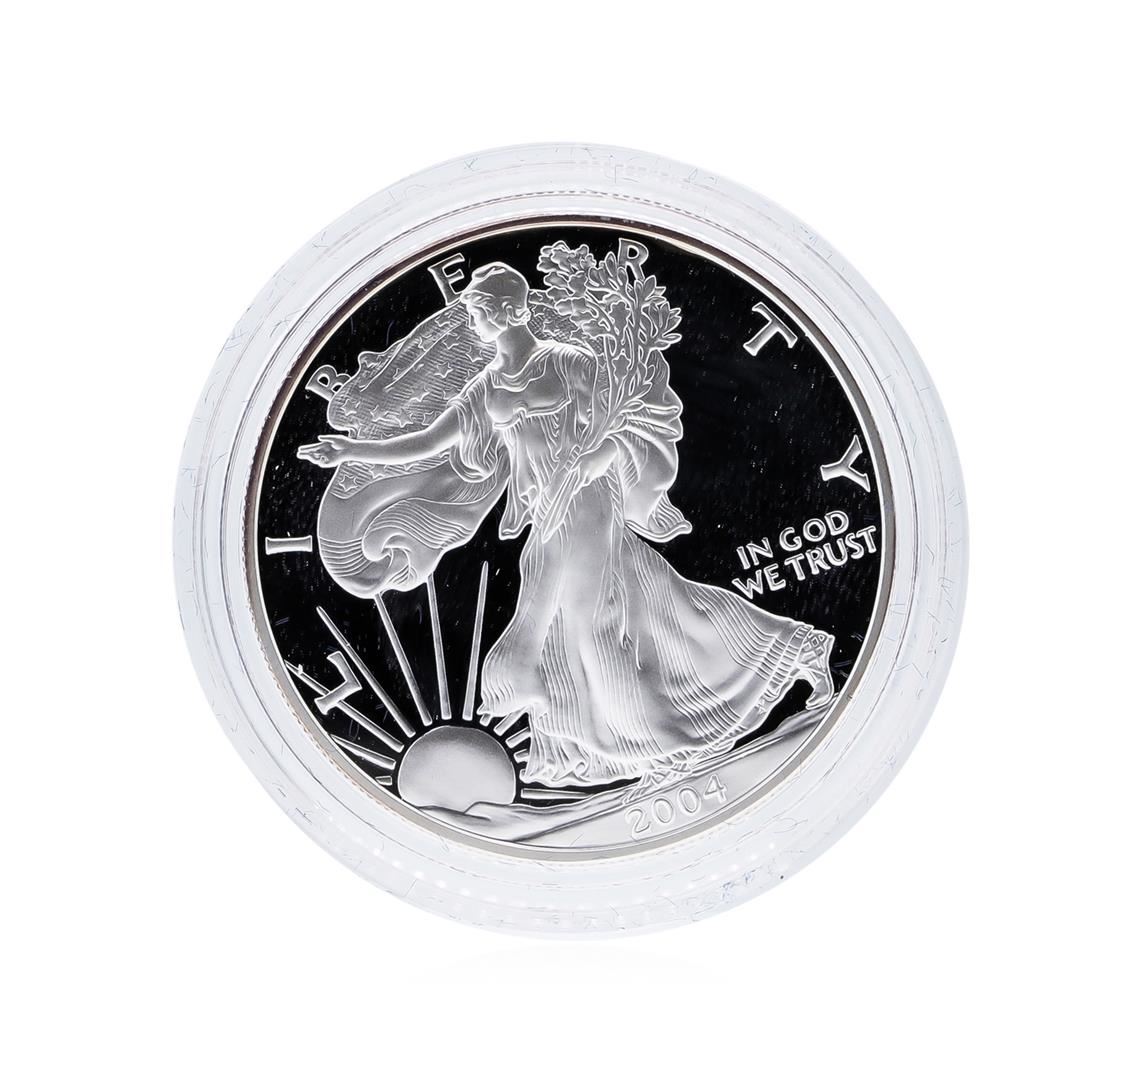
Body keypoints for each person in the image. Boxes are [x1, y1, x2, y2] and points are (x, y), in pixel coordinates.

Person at [300, 262, 834, 788]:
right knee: (656, 608)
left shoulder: (569, 362)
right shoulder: (486, 388)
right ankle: (792, 652)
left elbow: (621, 423)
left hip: (587, 498)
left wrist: (596, 457)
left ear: (508, 311)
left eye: (478, 312)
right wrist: (351, 450)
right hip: (545, 509)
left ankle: (663, 744)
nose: (473, 322)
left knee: (585, 619)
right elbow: (429, 441)